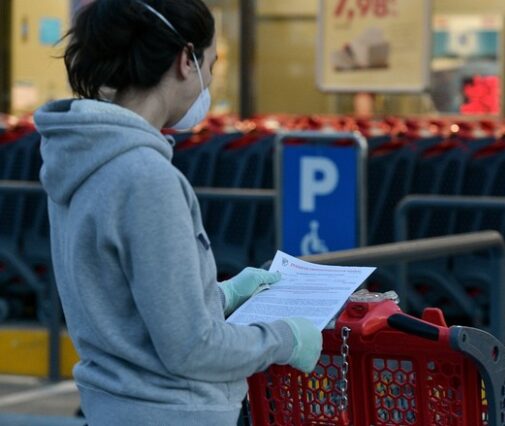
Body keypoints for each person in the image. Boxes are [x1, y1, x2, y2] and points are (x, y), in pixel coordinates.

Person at [33, 1, 322, 425]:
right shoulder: (146, 177)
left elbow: (127, 301)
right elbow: (192, 348)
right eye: (211, 63)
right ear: (186, 59)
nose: (209, 79)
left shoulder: (81, 155)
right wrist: (284, 339)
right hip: (173, 411)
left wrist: (223, 294)